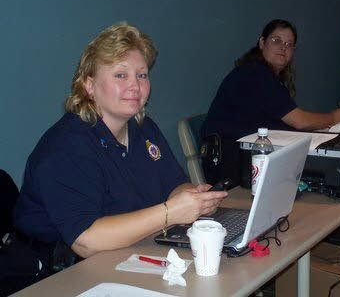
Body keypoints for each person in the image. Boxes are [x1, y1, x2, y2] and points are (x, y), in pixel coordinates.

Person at [1, 23, 227, 295]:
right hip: (55, 274)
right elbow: (86, 240)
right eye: (121, 75)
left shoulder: (144, 128)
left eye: (141, 75)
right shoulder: (66, 146)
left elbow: (173, 184)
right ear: (89, 85)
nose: (135, 85)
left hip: (127, 255)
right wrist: (171, 212)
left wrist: (194, 198)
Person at [202, 19, 340, 186]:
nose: (283, 47)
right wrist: (334, 117)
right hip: (232, 169)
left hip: (252, 161)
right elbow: (299, 121)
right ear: (262, 43)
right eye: (276, 40)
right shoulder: (256, 73)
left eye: (289, 44)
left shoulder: (265, 75)